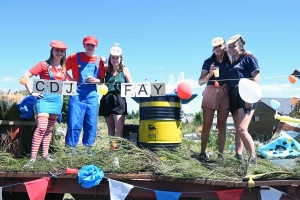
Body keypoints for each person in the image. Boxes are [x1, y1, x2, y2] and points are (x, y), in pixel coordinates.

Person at [22, 40, 67, 166]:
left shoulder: (63, 69)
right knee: (41, 127)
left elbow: (66, 85)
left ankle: (45, 155)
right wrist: (31, 92)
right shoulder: (43, 65)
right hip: (43, 99)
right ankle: (33, 158)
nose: (59, 52)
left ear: (64, 53)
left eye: (62, 51)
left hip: (57, 101)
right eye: (57, 50)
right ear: (52, 51)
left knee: (49, 130)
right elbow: (26, 76)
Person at [65, 36, 105, 147]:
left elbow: (102, 80)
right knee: (74, 123)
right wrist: (71, 79)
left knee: (91, 125)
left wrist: (96, 80)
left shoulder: (99, 61)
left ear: (96, 46)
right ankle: (70, 152)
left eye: (92, 45)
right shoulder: (74, 56)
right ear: (83, 45)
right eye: (88, 44)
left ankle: (88, 153)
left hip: (92, 96)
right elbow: (62, 68)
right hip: (77, 95)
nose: (90, 47)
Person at [226, 34, 260, 162]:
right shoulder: (232, 62)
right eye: (229, 47)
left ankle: (253, 158)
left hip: (246, 94)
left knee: (242, 128)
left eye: (233, 46)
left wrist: (250, 96)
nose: (231, 49)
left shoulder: (248, 58)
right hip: (233, 95)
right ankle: (238, 155)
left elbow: (256, 77)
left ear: (240, 47)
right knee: (238, 129)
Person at [198, 37, 231, 161]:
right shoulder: (208, 62)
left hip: (225, 93)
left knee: (222, 126)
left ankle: (220, 155)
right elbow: (200, 82)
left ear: (224, 47)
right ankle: (202, 153)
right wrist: (210, 74)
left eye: (220, 46)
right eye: (215, 47)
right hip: (211, 91)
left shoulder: (230, 61)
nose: (217, 49)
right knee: (207, 125)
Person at [99, 44, 132, 137]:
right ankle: (111, 150)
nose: (115, 60)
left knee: (119, 128)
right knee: (110, 128)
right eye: (113, 57)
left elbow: (131, 86)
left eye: (117, 58)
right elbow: (98, 78)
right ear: (110, 58)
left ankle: (116, 150)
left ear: (121, 59)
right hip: (107, 98)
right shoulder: (106, 70)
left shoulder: (125, 70)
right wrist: (101, 62)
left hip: (119, 98)